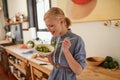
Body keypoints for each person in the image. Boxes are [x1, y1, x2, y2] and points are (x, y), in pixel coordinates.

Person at [43, 7, 86, 80]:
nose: (49, 30)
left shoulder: (77, 40)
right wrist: (48, 55)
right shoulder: (54, 38)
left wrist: (66, 52)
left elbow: (78, 71)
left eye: (51, 26)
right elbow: (55, 64)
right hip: (53, 76)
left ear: (61, 22)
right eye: (47, 26)